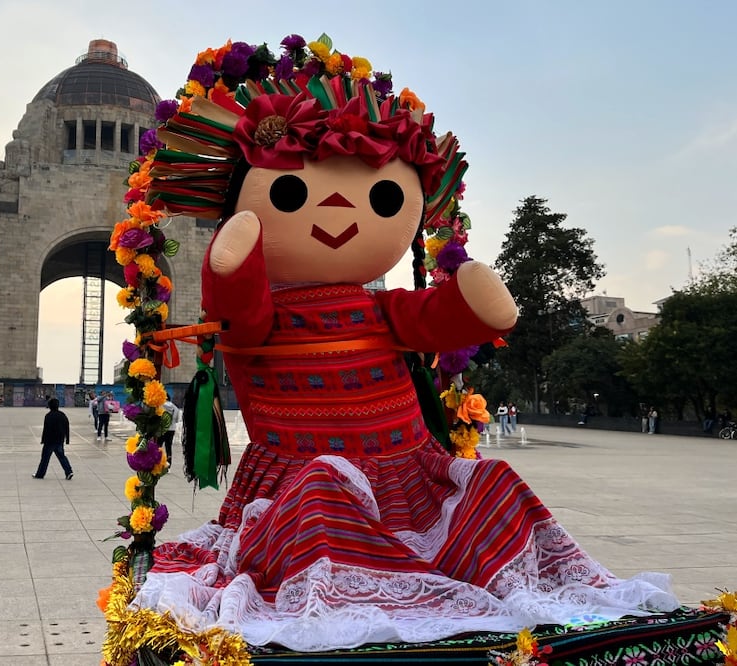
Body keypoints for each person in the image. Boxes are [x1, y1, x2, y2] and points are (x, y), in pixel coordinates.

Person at [112, 37, 677, 653]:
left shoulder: (381, 308)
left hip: (407, 472)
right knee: (321, 498)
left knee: (491, 482)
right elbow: (241, 322)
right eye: (292, 194)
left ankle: (466, 575)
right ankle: (343, 595)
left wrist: (471, 303)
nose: (337, 206)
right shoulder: (267, 312)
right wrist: (234, 269)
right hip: (306, 472)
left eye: (381, 197)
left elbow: (432, 319)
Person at [32, 397, 73, 480]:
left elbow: (46, 429)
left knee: (45, 458)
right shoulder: (62, 415)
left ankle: (40, 474)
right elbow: (67, 427)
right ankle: (69, 471)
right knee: (62, 456)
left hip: (50, 441)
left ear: (50, 406)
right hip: (59, 440)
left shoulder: (48, 416)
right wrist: (67, 439)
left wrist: (43, 440)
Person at [160, 393, 180, 465]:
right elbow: (177, 420)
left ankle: (158, 462)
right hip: (171, 429)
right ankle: (168, 463)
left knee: (158, 446)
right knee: (168, 446)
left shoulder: (160, 406)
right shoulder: (175, 408)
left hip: (162, 429)